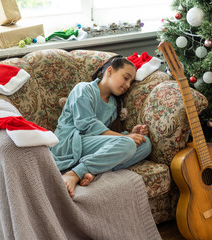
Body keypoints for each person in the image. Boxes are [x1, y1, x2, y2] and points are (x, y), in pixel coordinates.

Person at [50, 55, 151, 198]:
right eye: (125, 77)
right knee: (128, 144)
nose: (128, 85)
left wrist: (130, 133)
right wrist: (126, 137)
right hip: (72, 142)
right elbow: (87, 126)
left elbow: (108, 135)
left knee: (146, 144)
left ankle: (92, 169)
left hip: (91, 145)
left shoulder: (115, 104)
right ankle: (74, 174)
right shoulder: (83, 89)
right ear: (109, 71)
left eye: (131, 82)